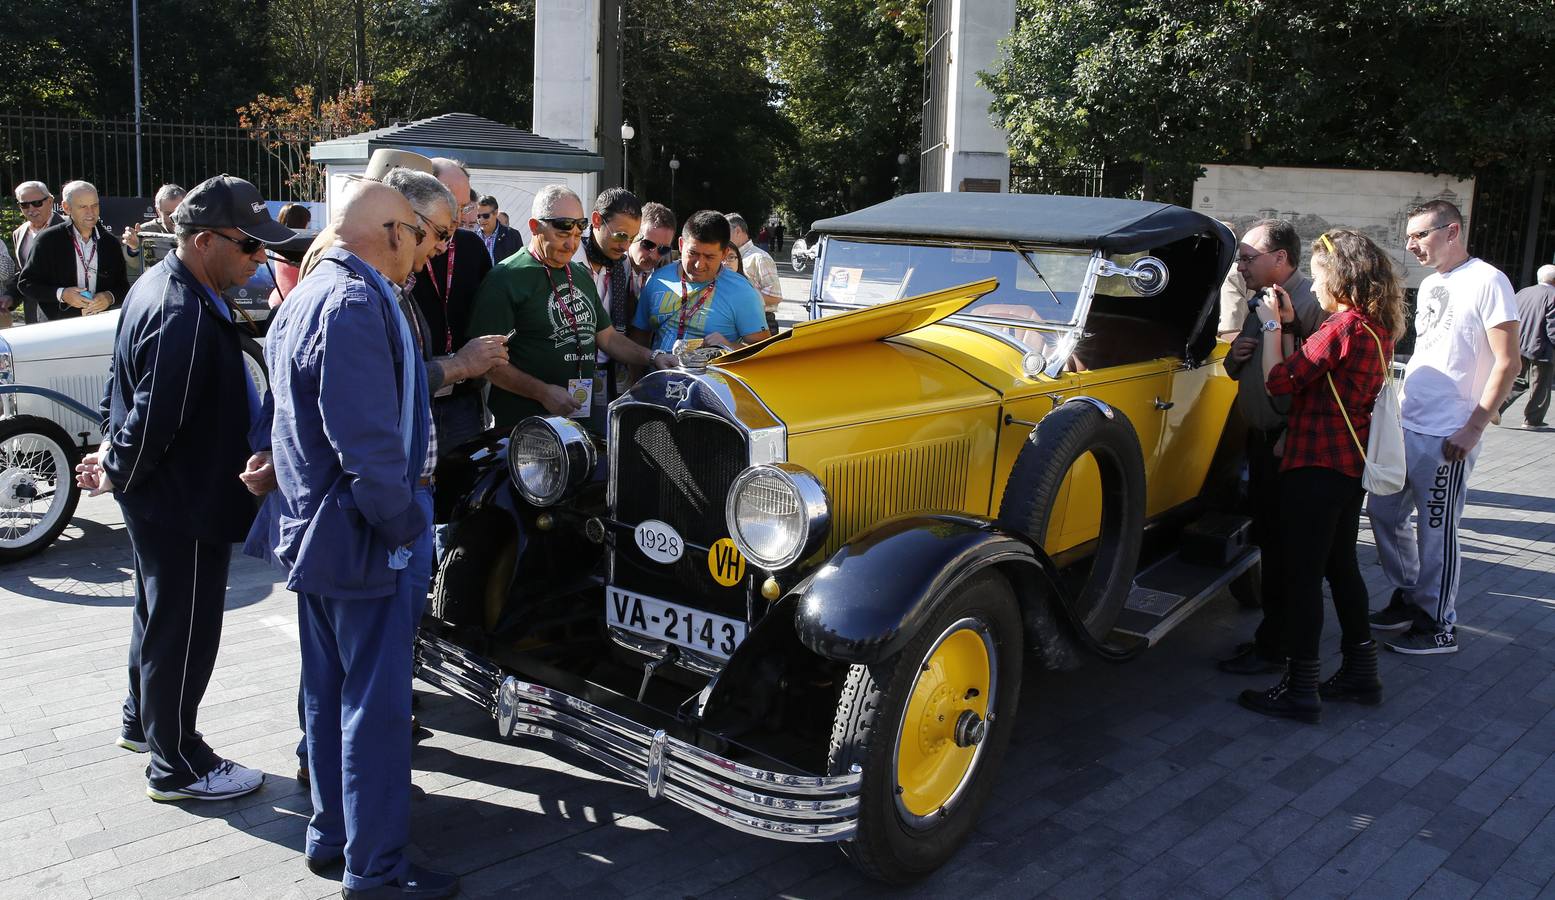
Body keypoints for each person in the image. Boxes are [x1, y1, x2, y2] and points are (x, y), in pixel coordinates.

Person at [265, 180, 459, 899]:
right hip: (360, 540)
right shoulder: (351, 301)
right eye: (418, 231)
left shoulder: (315, 293)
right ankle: (374, 872)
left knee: (330, 695)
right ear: (388, 231)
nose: (424, 247)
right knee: (373, 713)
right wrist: (404, 528)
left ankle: (334, 840)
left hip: (323, 535)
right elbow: (367, 445)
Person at [73, 174, 290, 801]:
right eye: (248, 246)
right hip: (185, 501)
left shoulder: (167, 284)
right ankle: (177, 762)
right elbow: (153, 415)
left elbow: (130, 396)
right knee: (185, 627)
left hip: (165, 496)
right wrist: (114, 468)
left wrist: (114, 464)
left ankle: (144, 725)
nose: (258, 260)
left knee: (156, 610)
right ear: (202, 241)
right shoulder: (181, 309)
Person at [1237, 231, 1403, 723]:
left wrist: (1270, 329)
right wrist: (1289, 326)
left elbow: (1280, 381)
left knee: (1303, 577)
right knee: (1341, 567)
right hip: (1347, 467)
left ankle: (1301, 687)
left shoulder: (1341, 326)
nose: (1318, 280)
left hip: (1314, 466)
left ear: (1341, 274)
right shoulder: (1375, 325)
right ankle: (1360, 670)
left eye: (1322, 271)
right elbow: (1316, 377)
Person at [1367, 200, 1520, 655]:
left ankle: (1438, 623)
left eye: (1420, 235)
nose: (1411, 245)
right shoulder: (1433, 282)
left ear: (1451, 231)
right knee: (1383, 513)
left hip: (1449, 434)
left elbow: (1508, 362)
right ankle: (1413, 595)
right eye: (1409, 237)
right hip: (1409, 422)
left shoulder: (1489, 280)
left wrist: (1474, 427)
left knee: (1437, 533)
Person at [467, 184, 677, 434]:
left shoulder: (578, 274)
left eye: (578, 234)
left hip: (577, 421)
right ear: (534, 227)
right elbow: (488, 363)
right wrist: (542, 392)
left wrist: (653, 357)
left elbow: (608, 338)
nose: (571, 245)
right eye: (563, 234)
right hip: (524, 429)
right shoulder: (505, 278)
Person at [1216, 219, 1329, 676]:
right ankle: (1271, 637)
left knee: (1287, 554)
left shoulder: (1312, 305)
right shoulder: (1258, 300)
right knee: (1269, 544)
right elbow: (1238, 366)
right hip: (1262, 444)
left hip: (1290, 448)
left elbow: (1314, 382)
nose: (1240, 265)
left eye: (1247, 257)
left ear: (1280, 258)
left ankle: (1278, 649)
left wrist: (1287, 439)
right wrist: (1235, 357)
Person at [410, 158, 495, 450]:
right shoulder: (405, 251)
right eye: (450, 202)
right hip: (417, 397)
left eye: (465, 205)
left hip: (463, 400)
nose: (459, 216)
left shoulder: (472, 247)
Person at [630, 210, 771, 354]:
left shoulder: (742, 292)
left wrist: (728, 346)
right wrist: (637, 376)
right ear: (681, 245)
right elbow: (639, 337)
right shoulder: (657, 279)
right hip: (658, 375)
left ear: (724, 253)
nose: (699, 265)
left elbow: (763, 351)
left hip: (712, 376)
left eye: (709, 257)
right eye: (693, 253)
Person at [18, 180, 129, 320]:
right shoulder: (48, 240)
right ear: (66, 207)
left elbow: (123, 287)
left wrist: (109, 297)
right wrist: (62, 294)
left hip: (99, 325)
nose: (90, 212)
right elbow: (27, 284)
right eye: (83, 207)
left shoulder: (109, 242)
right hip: (58, 328)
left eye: (94, 205)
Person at [583, 188, 643, 402]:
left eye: (633, 238)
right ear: (597, 220)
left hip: (610, 371)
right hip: (572, 370)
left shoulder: (623, 264)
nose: (626, 246)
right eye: (621, 235)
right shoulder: (569, 261)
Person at [1502, 264, 1555, 427]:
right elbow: (1552, 327)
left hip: (1519, 344)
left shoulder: (1523, 292)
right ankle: (1533, 419)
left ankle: (1495, 407)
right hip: (1541, 348)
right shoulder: (1553, 296)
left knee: (1517, 380)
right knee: (1540, 384)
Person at [11, 180, 65, 324]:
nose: (31, 209)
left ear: (50, 201)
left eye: (37, 203)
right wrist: (9, 297)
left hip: (66, 313)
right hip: (33, 316)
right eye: (24, 205)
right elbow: (24, 274)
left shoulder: (70, 227)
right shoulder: (19, 233)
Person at [726, 213, 784, 333]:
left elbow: (775, 297)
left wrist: (741, 298)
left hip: (761, 322)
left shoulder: (760, 258)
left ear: (737, 231)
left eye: (725, 233)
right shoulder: (725, 257)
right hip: (734, 322)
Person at [122, 183, 187, 281]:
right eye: (169, 214)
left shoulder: (198, 230)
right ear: (157, 211)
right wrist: (134, 248)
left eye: (179, 213)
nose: (175, 219)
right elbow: (134, 265)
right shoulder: (146, 232)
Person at [266, 203, 312, 308]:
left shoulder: (280, 242)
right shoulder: (303, 247)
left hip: (278, 299)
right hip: (296, 304)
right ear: (303, 222)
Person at [628, 201, 676, 296]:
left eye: (663, 249)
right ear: (634, 234)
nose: (653, 256)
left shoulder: (665, 274)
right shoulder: (610, 267)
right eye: (648, 244)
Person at [476, 194, 522, 264]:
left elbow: (519, 264)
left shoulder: (512, 235)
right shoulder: (473, 236)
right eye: (478, 216)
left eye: (486, 216)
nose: (481, 220)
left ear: (496, 212)